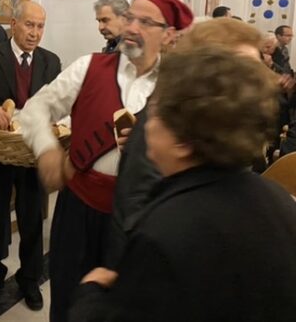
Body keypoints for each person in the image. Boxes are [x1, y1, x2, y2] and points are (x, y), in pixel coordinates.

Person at [69, 46, 296, 322]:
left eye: (154, 113)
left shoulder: (164, 231)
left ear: (183, 140)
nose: (144, 125)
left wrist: (90, 294)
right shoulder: (278, 199)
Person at [19, 0, 193, 322]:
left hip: (139, 218)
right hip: (77, 211)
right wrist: (46, 149)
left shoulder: (177, 87)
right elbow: (37, 107)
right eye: (129, 18)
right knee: (68, 301)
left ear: (168, 34)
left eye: (146, 22)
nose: (132, 27)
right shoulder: (89, 66)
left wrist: (145, 148)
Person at [106, 18, 268, 269]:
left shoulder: (231, 133)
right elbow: (135, 210)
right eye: (238, 70)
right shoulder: (165, 123)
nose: (254, 84)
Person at [0, 1, 61, 310]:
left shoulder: (51, 62)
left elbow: (56, 106)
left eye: (40, 26)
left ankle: (30, 279)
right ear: (13, 23)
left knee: (32, 218)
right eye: (29, 25)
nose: (35, 33)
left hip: (31, 155)